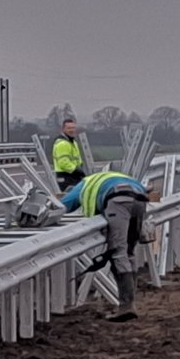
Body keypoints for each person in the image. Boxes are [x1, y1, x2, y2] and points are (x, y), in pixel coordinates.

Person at [62, 169, 155, 321]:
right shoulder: (116, 176)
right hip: (139, 201)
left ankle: (126, 306)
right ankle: (130, 303)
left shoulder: (83, 185)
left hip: (118, 202)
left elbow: (64, 206)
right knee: (129, 251)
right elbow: (145, 189)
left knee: (118, 253)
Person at [52, 119, 85, 190]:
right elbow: (63, 163)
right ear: (63, 129)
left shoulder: (72, 142)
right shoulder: (62, 143)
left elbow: (77, 158)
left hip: (73, 176)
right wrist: (76, 170)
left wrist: (80, 167)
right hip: (66, 176)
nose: (71, 130)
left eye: (73, 128)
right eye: (69, 128)